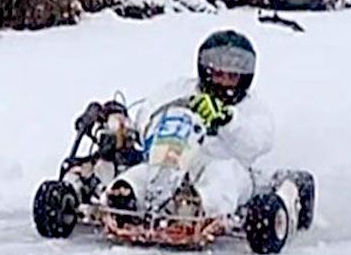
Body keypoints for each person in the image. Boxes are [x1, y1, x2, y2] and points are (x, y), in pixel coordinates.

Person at [105, 29, 275, 218]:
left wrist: (227, 121)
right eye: (219, 73)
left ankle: (198, 207)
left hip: (224, 163)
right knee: (148, 171)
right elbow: (149, 110)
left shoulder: (250, 107)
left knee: (223, 176)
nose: (224, 81)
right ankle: (124, 195)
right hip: (177, 156)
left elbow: (258, 142)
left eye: (232, 76)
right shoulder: (181, 89)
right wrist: (149, 131)